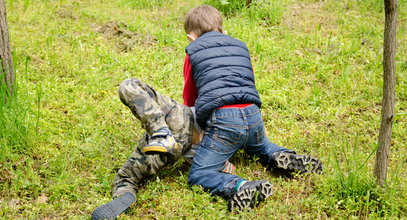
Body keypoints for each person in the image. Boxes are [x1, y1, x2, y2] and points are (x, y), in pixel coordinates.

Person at [147, 5, 321, 211]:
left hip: (224, 120)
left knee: (199, 174)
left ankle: (240, 186)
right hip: (253, 114)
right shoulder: (240, 46)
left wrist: (196, 127)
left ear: (191, 37)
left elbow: (190, 97)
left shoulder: (193, 52)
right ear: (222, 30)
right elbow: (248, 81)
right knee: (261, 147)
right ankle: (283, 156)